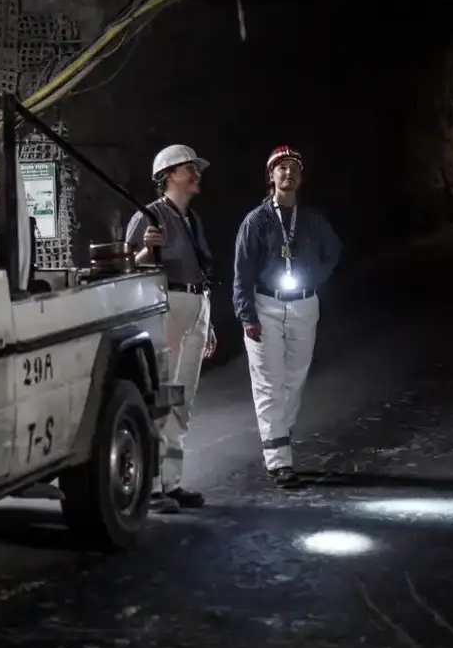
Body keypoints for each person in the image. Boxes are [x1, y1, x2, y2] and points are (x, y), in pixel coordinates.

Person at [233, 145, 343, 488]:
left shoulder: (312, 219)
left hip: (304, 305)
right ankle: (279, 461)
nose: (288, 173)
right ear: (271, 176)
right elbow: (242, 272)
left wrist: (316, 277)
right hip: (266, 305)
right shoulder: (256, 221)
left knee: (293, 380)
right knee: (268, 383)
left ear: (301, 177)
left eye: (294, 167)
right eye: (281, 167)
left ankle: (279, 436)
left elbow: (335, 251)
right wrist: (246, 314)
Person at [124, 144, 218, 512]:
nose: (196, 174)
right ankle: (150, 489)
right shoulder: (149, 216)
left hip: (195, 304)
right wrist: (146, 253)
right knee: (164, 396)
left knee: (183, 399)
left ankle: (172, 483)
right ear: (168, 175)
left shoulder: (191, 219)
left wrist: (206, 318)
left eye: (196, 168)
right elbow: (123, 267)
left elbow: (201, 268)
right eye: (188, 168)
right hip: (168, 305)